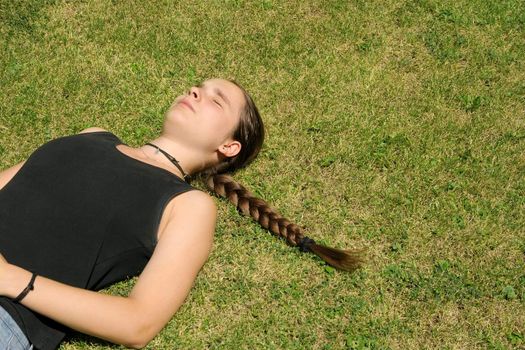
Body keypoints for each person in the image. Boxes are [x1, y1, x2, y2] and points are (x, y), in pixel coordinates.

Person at [0, 78, 361, 349]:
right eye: (197, 88)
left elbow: (137, 322)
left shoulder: (189, 205)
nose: (194, 92)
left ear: (228, 146)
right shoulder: (93, 135)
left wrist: (11, 279)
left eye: (215, 101)